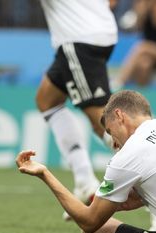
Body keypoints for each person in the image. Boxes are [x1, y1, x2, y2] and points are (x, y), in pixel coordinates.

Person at [16, 90, 156, 233]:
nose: (114, 143)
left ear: (119, 116)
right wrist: (138, 198)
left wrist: (45, 174)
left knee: (93, 230)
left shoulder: (127, 156)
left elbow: (90, 222)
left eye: (110, 132)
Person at [35, 0, 117, 220]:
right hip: (98, 31)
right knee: (47, 100)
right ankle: (84, 181)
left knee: (105, 123)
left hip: (79, 38)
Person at [111, 0, 156, 88]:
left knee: (142, 47)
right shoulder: (147, 3)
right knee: (144, 64)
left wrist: (155, 4)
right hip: (146, 54)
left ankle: (119, 81)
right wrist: (143, 7)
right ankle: (140, 97)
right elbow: (138, 25)